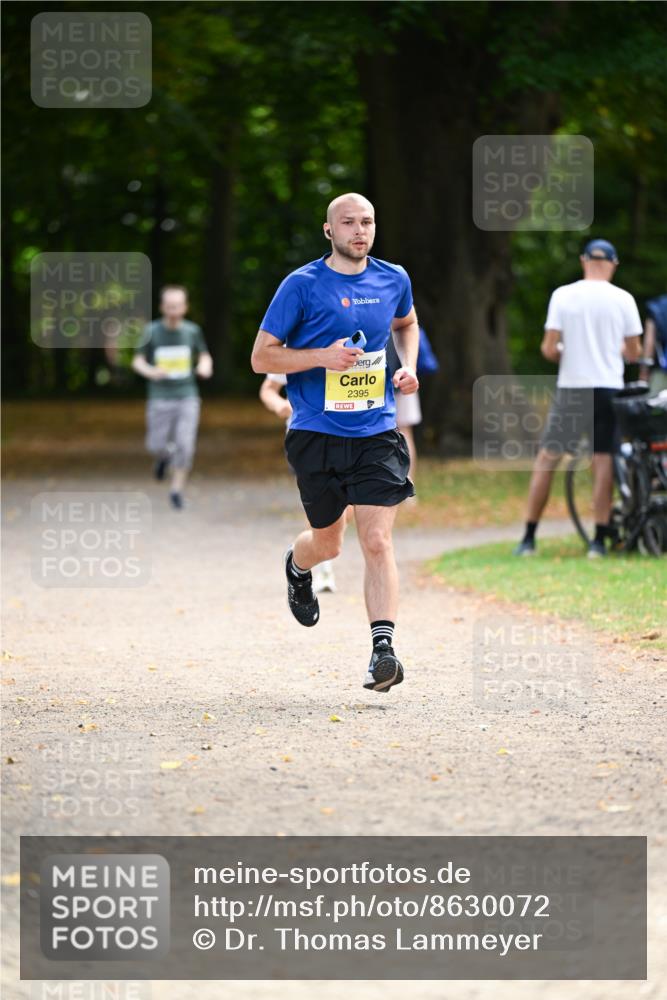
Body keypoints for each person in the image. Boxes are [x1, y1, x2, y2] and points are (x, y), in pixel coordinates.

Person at [251, 192, 419, 692]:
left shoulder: (394, 278)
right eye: (348, 223)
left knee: (377, 539)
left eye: (367, 221)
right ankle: (297, 566)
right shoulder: (301, 286)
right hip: (315, 434)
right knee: (329, 542)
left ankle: (382, 651)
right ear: (329, 231)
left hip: (377, 432)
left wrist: (406, 365)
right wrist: (319, 357)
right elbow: (262, 358)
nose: (359, 231)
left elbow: (406, 324)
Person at [514, 238, 643, 559]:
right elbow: (634, 352)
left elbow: (548, 348)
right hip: (609, 388)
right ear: (613, 264)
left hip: (573, 388)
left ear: (584, 260)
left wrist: (566, 355)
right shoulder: (624, 299)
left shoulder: (563, 295)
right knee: (603, 461)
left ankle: (529, 537)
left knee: (547, 459)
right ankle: (598, 541)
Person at [132, 285, 213, 509]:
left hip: (187, 395)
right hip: (159, 396)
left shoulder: (192, 331)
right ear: (162, 307)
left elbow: (205, 355)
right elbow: (137, 361)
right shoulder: (151, 331)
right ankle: (164, 457)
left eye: (177, 306)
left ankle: (176, 490)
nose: (173, 311)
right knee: (155, 444)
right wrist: (151, 371)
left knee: (185, 444)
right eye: (169, 306)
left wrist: (205, 367)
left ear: (185, 307)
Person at [259, 371, 339, 593]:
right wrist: (280, 405)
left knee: (347, 508)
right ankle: (324, 570)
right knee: (318, 507)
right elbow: (268, 389)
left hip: (352, 437)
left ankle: (311, 553)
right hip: (306, 438)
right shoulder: (296, 341)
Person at [639, 294, 667, 393]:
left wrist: (644, 372)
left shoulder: (657, 307)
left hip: (661, 370)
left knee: (652, 404)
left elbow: (649, 342)